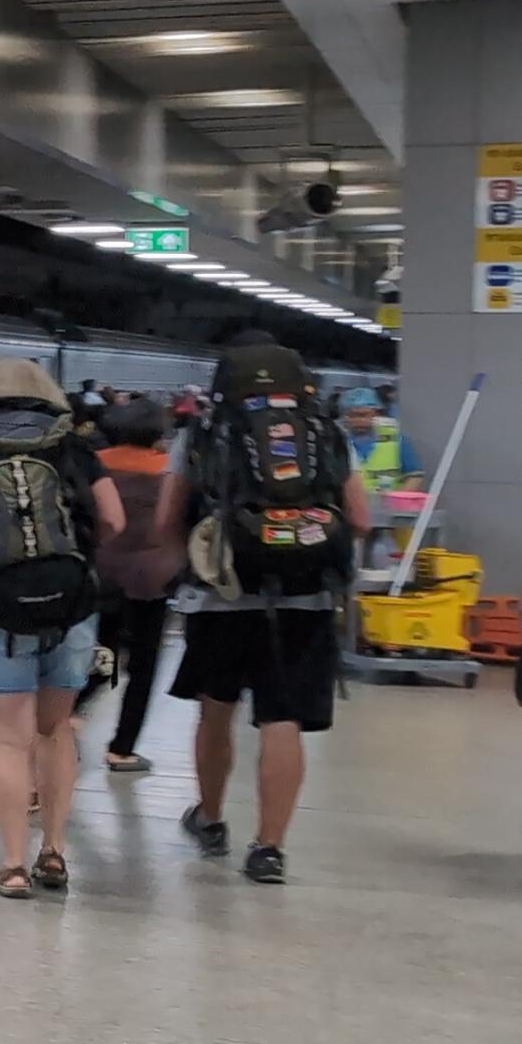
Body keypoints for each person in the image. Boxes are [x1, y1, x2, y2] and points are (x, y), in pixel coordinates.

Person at [164, 332, 375, 885]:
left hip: (221, 595)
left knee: (215, 712)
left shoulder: (203, 433)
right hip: (305, 597)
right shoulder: (326, 433)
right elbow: (360, 520)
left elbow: (168, 523)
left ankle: (210, 820)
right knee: (282, 720)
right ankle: (269, 849)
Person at [0, 357, 123, 897]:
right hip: (72, 606)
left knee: (11, 742)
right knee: (55, 731)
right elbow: (115, 521)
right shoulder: (75, 449)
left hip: (0, 609)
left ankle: (13, 866)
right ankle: (55, 853)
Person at [91, 397, 180, 772]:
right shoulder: (168, 469)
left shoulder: (97, 464)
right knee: (143, 666)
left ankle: (68, 713)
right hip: (152, 578)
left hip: (102, 574)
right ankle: (121, 748)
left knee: (102, 654)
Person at [341, 388, 410, 487]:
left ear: (376, 413)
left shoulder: (395, 438)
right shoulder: (337, 441)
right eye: (353, 416)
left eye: (364, 415)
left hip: (388, 501)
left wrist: (400, 500)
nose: (359, 420)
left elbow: (414, 476)